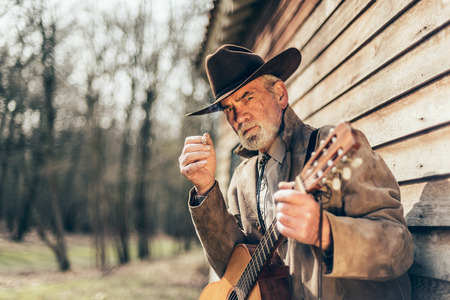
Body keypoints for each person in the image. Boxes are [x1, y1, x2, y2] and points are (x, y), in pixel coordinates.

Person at [179, 44, 413, 299]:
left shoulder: (333, 150)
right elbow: (232, 271)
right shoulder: (241, 180)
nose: (239, 117)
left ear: (280, 94)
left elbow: (398, 248)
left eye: (247, 97)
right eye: (228, 108)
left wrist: (327, 232)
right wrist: (205, 190)